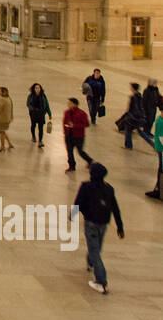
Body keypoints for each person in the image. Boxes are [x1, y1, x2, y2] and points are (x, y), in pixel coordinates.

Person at [74, 163, 124, 295]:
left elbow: (78, 202)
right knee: (96, 248)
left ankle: (101, 282)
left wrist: (72, 215)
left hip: (90, 222)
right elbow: (115, 208)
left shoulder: (86, 186)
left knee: (95, 250)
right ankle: (90, 263)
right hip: (103, 224)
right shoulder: (109, 188)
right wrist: (120, 226)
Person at [120, 82, 154, 150]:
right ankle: (153, 145)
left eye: (131, 87)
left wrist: (125, 114)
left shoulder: (132, 97)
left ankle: (128, 146)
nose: (130, 88)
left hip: (132, 117)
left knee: (128, 130)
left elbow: (129, 108)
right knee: (140, 132)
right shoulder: (139, 95)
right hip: (138, 117)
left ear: (133, 88)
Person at [63, 96, 92, 172]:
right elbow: (64, 122)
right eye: (68, 103)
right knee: (69, 152)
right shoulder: (67, 112)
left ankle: (90, 161)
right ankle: (72, 166)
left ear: (75, 104)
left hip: (78, 136)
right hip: (68, 136)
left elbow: (86, 124)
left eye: (70, 103)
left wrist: (74, 126)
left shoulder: (82, 113)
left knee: (80, 151)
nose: (68, 104)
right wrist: (66, 129)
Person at [146, 107, 163, 200]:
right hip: (160, 149)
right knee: (160, 170)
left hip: (161, 149)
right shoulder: (159, 120)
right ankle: (159, 190)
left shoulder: (160, 121)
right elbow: (158, 136)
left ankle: (159, 191)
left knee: (161, 170)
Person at [0, 86, 14, 152]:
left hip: (2, 119)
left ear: (3, 92)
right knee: (3, 131)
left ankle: (2, 147)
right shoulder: (8, 98)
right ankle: (10, 144)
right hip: (7, 118)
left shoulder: (2, 99)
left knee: (1, 132)